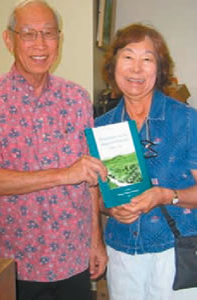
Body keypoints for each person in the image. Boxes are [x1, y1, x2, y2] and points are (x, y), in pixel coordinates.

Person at [0, 1, 108, 299]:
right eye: (28, 34)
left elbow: (88, 180)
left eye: (49, 33)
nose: (40, 44)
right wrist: (64, 174)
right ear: (9, 39)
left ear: (59, 40)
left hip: (72, 258)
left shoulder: (76, 98)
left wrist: (95, 240)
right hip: (16, 262)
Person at [95, 23, 197, 300]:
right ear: (114, 64)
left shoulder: (186, 120)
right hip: (123, 252)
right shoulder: (102, 127)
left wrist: (167, 195)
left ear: (160, 69)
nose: (136, 69)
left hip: (175, 252)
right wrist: (110, 209)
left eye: (147, 59)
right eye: (128, 57)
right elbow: (98, 196)